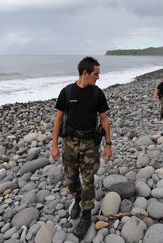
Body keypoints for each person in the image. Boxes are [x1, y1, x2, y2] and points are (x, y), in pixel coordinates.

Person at [51, 57, 112, 239]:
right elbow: (58, 119)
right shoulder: (67, 92)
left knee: (88, 180)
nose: (98, 77)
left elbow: (104, 120)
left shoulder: (97, 94)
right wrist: (54, 144)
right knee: (71, 179)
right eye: (96, 74)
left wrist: (108, 145)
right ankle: (78, 200)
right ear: (84, 73)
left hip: (90, 144)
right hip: (69, 143)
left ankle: (86, 215)